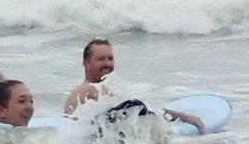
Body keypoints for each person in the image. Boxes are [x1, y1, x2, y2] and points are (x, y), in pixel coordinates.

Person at [63, 38, 205, 133]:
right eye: (100, 59)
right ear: (86, 63)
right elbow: (137, 109)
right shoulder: (89, 89)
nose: (107, 63)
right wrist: (186, 118)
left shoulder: (100, 89)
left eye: (110, 58)